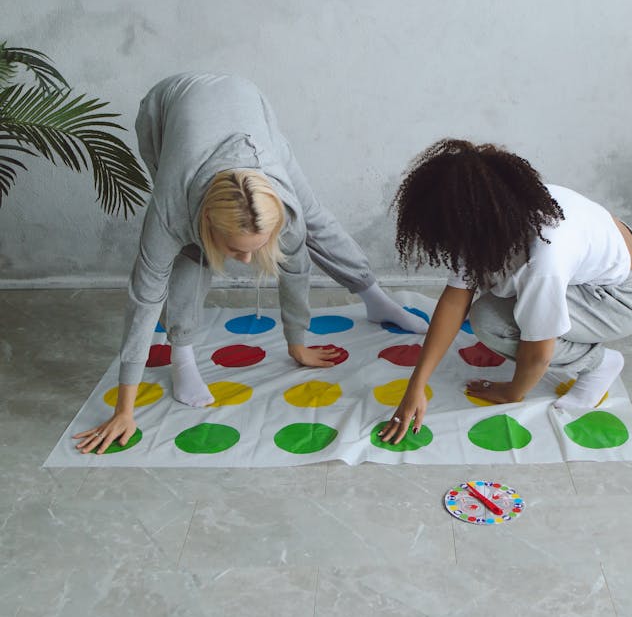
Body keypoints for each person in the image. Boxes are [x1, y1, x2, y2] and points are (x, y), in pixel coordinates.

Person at [74, 72, 428, 455]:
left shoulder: (283, 208)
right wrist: (124, 409)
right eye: (236, 249)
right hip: (169, 108)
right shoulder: (172, 209)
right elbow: (144, 296)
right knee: (193, 255)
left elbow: (296, 267)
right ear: (209, 222)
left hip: (247, 107)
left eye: (255, 248)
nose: (246, 260)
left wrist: (297, 343)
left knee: (314, 219)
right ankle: (182, 353)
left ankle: (374, 298)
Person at [378, 138, 632, 445]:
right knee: (499, 303)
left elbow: (538, 352)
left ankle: (598, 364)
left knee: (492, 322)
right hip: (594, 271)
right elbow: (455, 301)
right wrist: (415, 385)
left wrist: (512, 392)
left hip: (621, 299)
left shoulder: (546, 255)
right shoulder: (489, 212)